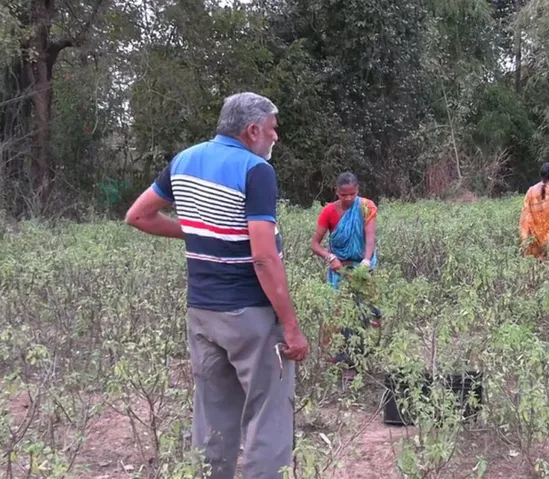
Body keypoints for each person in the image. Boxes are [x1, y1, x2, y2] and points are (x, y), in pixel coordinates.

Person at [124, 92, 309, 479]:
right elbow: (262, 256)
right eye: (273, 130)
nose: (276, 138)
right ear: (253, 129)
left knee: (212, 416)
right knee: (268, 417)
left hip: (202, 312)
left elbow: (138, 216)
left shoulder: (183, 161)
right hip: (249, 315)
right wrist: (290, 324)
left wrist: (198, 235)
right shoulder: (255, 170)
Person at [310, 172, 380, 384]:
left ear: (358, 191)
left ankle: (360, 361)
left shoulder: (366, 207)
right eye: (343, 194)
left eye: (352, 194)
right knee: (339, 317)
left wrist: (366, 262)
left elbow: (370, 238)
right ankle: (340, 362)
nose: (348, 198)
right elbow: (315, 244)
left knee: (365, 315)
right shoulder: (329, 211)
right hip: (339, 269)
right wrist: (330, 257)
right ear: (336, 192)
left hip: (362, 270)